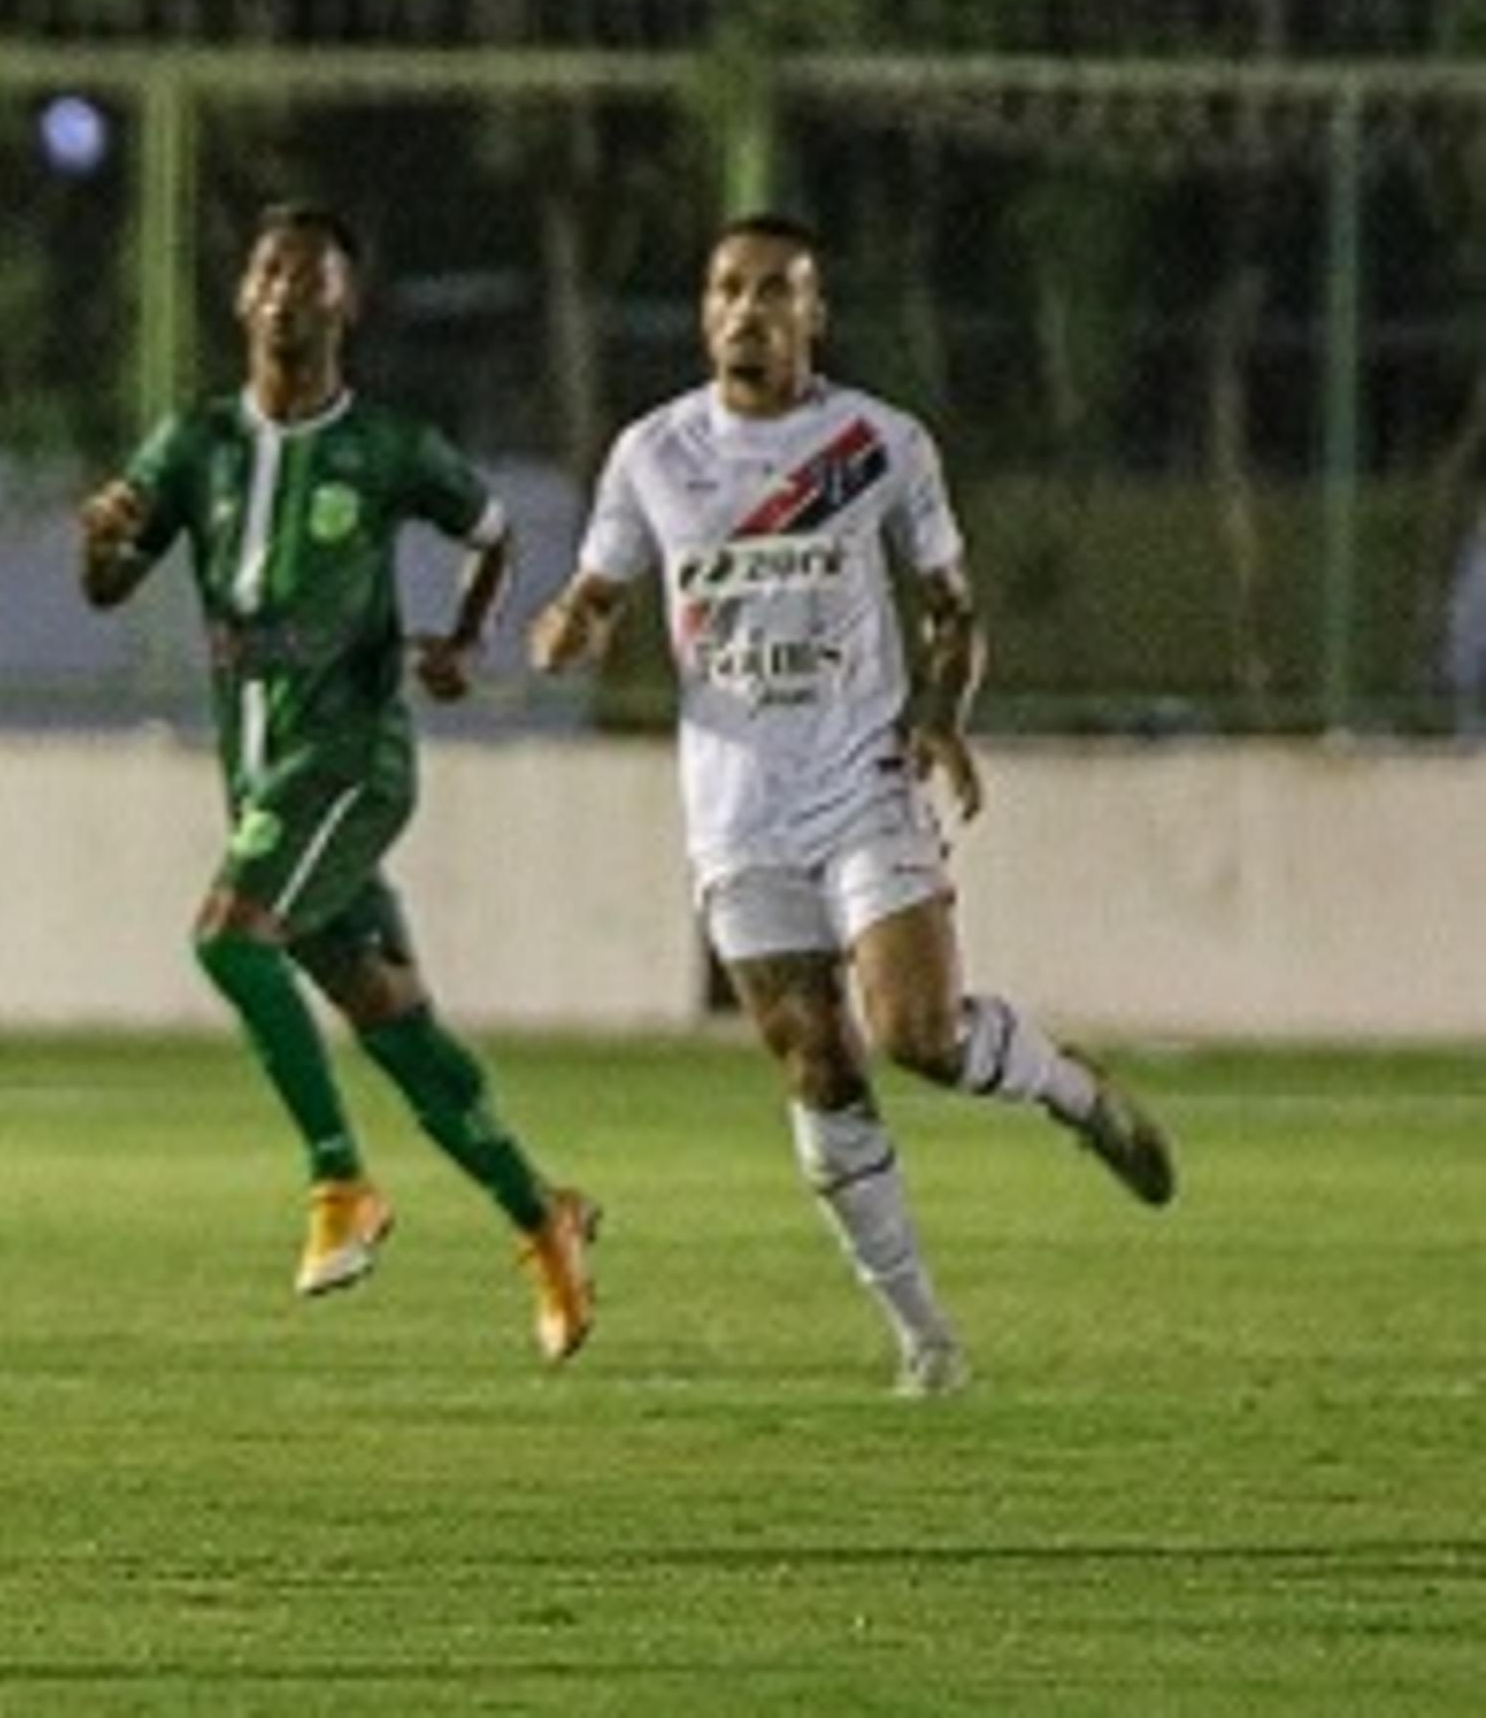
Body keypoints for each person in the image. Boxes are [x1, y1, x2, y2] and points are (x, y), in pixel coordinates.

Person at [526, 212, 1177, 1397]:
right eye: (728, 287)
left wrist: (940, 715)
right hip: (735, 810)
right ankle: (924, 1338)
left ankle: (1073, 1091)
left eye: (777, 291)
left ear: (815, 314)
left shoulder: (877, 443)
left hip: (860, 778)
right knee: (817, 1063)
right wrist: (569, 624)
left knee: (917, 1035)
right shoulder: (653, 455)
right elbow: (596, 587)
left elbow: (951, 606)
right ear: (703, 307)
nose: (748, 310)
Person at [77, 204, 598, 1362]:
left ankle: (339, 1183)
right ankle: (541, 1215)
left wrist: (463, 644)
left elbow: (497, 533)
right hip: (258, 761)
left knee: (228, 937)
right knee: (390, 1015)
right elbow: (109, 582)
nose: (285, 292)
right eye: (268, 270)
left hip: (355, 754)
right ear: (241, 295)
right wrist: (97, 537)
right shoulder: (197, 444)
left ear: (344, 305)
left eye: (311, 277)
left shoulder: (389, 448)